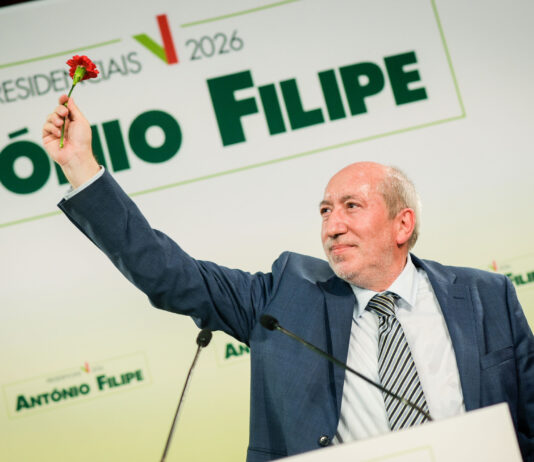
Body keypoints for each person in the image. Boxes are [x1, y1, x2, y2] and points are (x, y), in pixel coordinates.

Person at [43, 95, 534, 461]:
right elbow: (165, 272)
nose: (332, 225)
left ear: (402, 224)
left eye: (351, 206)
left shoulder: (486, 295)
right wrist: (81, 167)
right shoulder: (284, 298)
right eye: (325, 211)